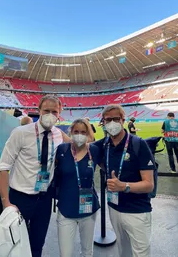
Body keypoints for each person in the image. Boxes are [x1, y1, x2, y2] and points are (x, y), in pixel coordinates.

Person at [0, 95, 71, 257]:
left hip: (44, 199)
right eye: (46, 111)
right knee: (14, 243)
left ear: (59, 114)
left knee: (37, 243)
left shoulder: (59, 135)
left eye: (54, 111)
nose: (50, 114)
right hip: (19, 198)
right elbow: (3, 168)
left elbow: (76, 147)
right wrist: (6, 203)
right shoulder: (20, 133)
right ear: (39, 111)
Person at [94, 104, 155, 257]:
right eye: (108, 120)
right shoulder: (104, 144)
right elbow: (80, 146)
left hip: (137, 211)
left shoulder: (138, 144)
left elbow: (149, 184)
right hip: (114, 208)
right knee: (123, 252)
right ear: (103, 122)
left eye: (116, 119)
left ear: (122, 120)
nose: (112, 123)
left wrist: (124, 186)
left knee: (141, 253)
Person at [55, 118, 100, 257]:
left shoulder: (95, 150)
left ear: (88, 134)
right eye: (76, 131)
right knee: (65, 253)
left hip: (88, 209)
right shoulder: (62, 149)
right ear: (71, 132)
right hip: (66, 209)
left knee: (87, 252)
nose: (79, 135)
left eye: (83, 132)